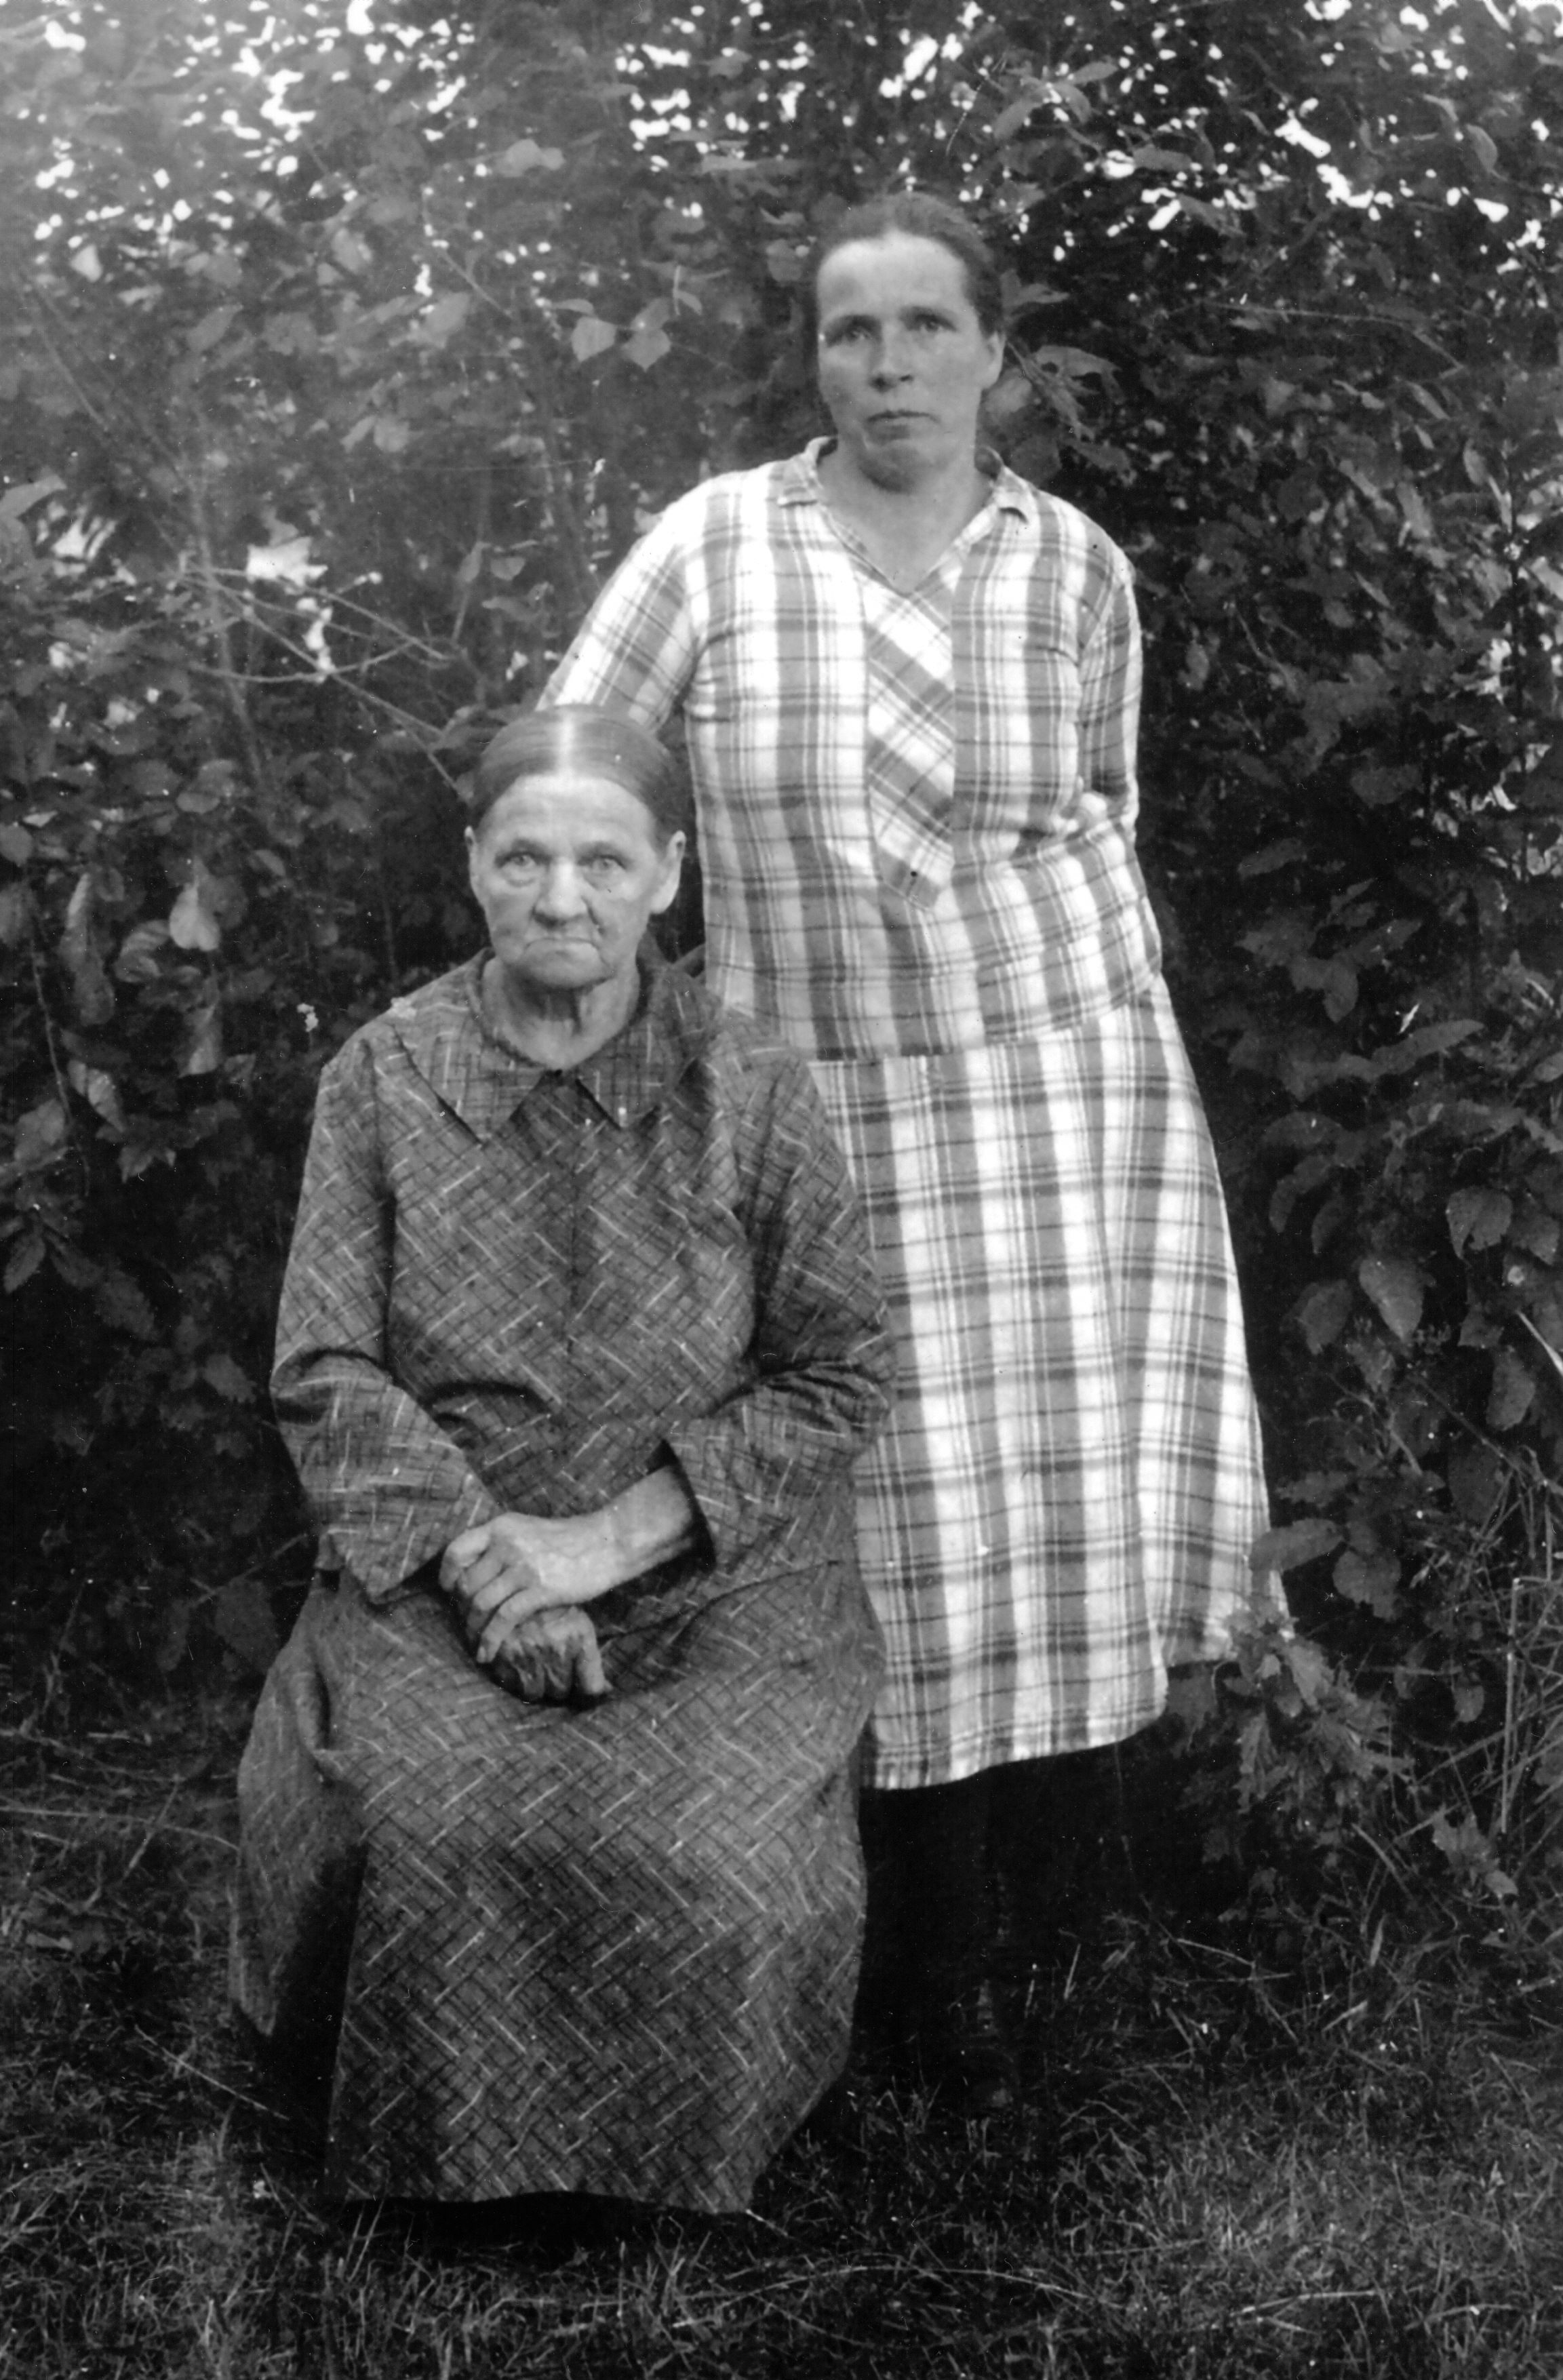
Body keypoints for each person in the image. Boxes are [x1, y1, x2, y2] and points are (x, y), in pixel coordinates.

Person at [543, 192, 1272, 2113]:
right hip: (825, 1106)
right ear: (815, 358)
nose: (887, 367)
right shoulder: (716, 545)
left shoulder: (1072, 567)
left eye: (924, 327)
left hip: (1069, 1090)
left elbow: (1105, 803)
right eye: (849, 331)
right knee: (889, 1515)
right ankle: (908, 1963)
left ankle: (1066, 1930)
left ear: (993, 352)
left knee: (1065, 1489)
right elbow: (574, 771)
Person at [230, 705, 894, 2213]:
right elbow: (324, 1366)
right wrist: (494, 1573)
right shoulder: (385, 1077)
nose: (560, 897)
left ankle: (663, 2170)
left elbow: (840, 1366)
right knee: (432, 1825)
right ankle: (436, 2169)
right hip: (444, 1569)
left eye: (603, 860)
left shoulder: (751, 1087)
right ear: (473, 862)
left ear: (668, 873)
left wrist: (603, 1545)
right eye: (523, 857)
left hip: (718, 1585)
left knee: (709, 1853)